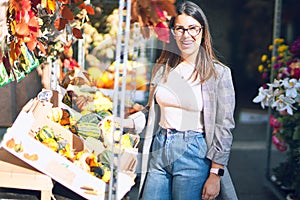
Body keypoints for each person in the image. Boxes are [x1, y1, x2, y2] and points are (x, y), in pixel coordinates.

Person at [118, 1, 238, 199]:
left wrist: (216, 173)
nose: (186, 35)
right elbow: (151, 112)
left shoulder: (218, 73)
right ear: (173, 32)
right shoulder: (163, 67)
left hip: (194, 152)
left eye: (193, 28)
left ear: (202, 31)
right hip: (159, 147)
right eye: (180, 29)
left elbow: (224, 127)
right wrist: (125, 122)